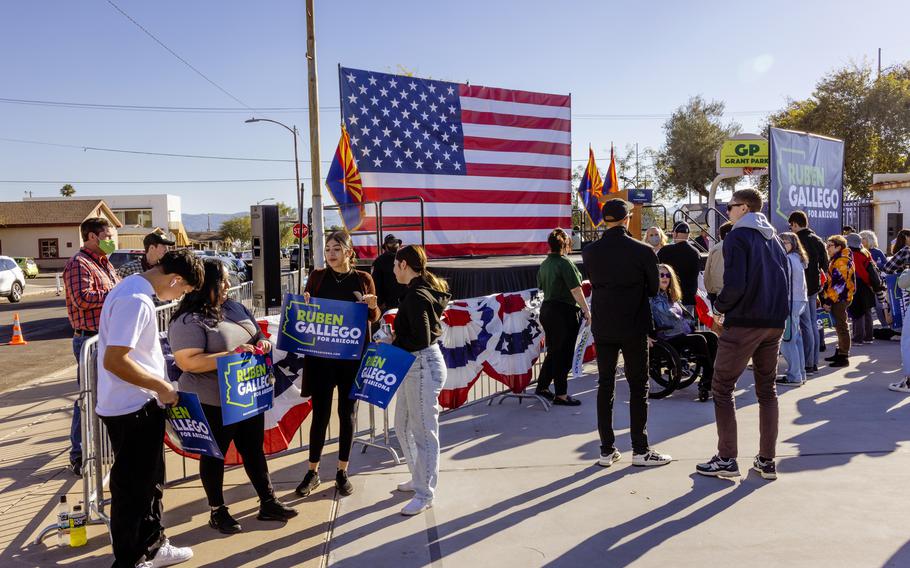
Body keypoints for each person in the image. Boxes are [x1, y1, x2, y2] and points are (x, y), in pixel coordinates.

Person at [169, 259, 297, 534]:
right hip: (212, 400)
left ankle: (268, 502)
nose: (229, 285)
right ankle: (217, 511)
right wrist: (230, 356)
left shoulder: (234, 307)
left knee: (253, 449)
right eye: (223, 281)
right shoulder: (188, 320)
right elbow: (188, 362)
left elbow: (256, 335)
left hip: (247, 394)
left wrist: (260, 343)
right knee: (214, 456)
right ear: (205, 284)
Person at [96, 250, 203, 568]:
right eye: (183, 291)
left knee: (149, 482)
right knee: (133, 489)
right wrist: (161, 386)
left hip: (138, 405)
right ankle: (131, 558)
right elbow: (115, 361)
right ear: (176, 279)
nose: (178, 296)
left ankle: (154, 545)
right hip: (133, 407)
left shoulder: (132, 288)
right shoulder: (137, 301)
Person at [696, 189, 788, 481]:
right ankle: (767, 460)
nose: (728, 210)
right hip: (774, 321)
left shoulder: (737, 236)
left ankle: (726, 458)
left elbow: (734, 284)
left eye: (731, 206)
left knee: (722, 387)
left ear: (744, 208)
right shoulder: (773, 237)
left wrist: (718, 307)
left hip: (745, 322)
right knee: (767, 390)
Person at [582, 199, 672, 469]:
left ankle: (606, 450)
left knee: (605, 385)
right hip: (633, 324)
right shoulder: (643, 251)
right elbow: (654, 288)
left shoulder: (591, 251)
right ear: (627, 218)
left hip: (604, 325)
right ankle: (640, 450)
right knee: (638, 386)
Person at [295, 230, 380, 499]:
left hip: (351, 360)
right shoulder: (318, 276)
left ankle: (342, 471)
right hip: (321, 359)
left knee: (347, 414)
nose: (331, 254)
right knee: (319, 415)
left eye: (336, 249)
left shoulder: (364, 279)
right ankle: (312, 471)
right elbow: (304, 313)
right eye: (328, 249)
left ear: (348, 251)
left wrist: (372, 307)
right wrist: (304, 303)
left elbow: (373, 318)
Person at [391, 245, 452, 515]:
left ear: (404, 265)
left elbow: (421, 338)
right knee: (402, 425)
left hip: (422, 365)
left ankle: (425, 493)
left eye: (395, 265)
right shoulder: (417, 292)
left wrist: (392, 340)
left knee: (423, 432)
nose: (392, 271)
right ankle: (419, 478)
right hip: (415, 364)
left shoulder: (416, 295)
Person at [62, 217, 121, 476]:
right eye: (108, 235)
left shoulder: (104, 263)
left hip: (105, 337)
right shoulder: (78, 264)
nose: (111, 241)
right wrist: (116, 294)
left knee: (105, 393)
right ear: (92, 237)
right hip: (89, 339)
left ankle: (103, 446)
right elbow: (82, 298)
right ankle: (79, 453)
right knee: (88, 396)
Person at [535, 228, 591, 406]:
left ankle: (543, 386)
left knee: (553, 351)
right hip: (564, 312)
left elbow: (541, 286)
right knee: (564, 353)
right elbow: (576, 289)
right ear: (566, 244)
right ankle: (561, 394)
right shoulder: (564, 263)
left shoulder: (545, 263)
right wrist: (586, 310)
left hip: (548, 310)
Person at [650, 264, 718, 401]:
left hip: (681, 333)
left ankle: (712, 375)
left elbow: (684, 317)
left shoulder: (671, 296)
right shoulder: (651, 298)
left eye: (667, 275)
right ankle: (707, 380)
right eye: (661, 275)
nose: (665, 278)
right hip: (667, 336)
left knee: (712, 336)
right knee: (699, 339)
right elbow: (646, 319)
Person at [789, 211, 828, 374]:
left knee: (805, 325)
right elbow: (825, 265)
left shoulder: (798, 240)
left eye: (791, 225)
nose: (790, 228)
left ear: (796, 224)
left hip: (801, 288)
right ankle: (813, 362)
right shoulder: (818, 240)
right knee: (812, 323)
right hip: (814, 287)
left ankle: (808, 363)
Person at [776, 232, 809, 387]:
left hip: (790, 301)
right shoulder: (798, 258)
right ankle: (799, 373)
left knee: (787, 340)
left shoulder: (788, 259)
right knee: (795, 339)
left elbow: (783, 283)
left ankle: (794, 375)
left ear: (793, 244)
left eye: (785, 242)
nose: (782, 244)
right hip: (799, 300)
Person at [820, 235, 855, 368]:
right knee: (839, 326)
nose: (827, 248)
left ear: (838, 247)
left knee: (842, 326)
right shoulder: (837, 259)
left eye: (830, 246)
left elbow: (839, 285)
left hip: (840, 298)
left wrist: (828, 301)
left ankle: (843, 356)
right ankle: (840, 352)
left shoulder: (841, 261)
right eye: (827, 245)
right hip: (839, 297)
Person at [881, 235, 910, 393]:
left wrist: (904, 271)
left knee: (908, 341)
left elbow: (888, 269)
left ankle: (909, 381)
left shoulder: (906, 252)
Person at [657, 221, 700, 310]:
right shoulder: (695, 252)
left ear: (675, 234)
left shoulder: (665, 251)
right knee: (687, 324)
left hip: (670, 298)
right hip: (689, 299)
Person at [846, 233, 880, 345]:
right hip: (868, 286)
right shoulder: (866, 252)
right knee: (867, 311)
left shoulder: (851, 254)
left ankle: (857, 338)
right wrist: (870, 284)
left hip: (857, 284)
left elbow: (858, 272)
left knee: (857, 312)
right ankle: (868, 337)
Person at [371, 233, 408, 313]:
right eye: (391, 243)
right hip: (388, 305)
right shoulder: (379, 261)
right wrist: (381, 302)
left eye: (395, 243)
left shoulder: (405, 259)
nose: (394, 245)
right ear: (386, 246)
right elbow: (375, 283)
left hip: (405, 302)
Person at [703, 222, 734, 302]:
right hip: (730, 292)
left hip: (718, 292)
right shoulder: (739, 246)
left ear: (720, 235)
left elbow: (711, 271)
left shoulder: (716, 248)